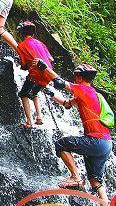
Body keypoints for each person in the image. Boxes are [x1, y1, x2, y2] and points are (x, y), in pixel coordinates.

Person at [34, 60, 112, 204]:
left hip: (96, 141)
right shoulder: (89, 94)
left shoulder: (84, 89)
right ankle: (106, 203)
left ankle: (75, 177)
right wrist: (51, 94)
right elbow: (67, 104)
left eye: (76, 76)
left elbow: (59, 82)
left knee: (62, 144)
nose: (75, 78)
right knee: (95, 181)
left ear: (80, 77)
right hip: (106, 144)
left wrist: (44, 69)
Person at [16, 21, 55, 129]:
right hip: (48, 73)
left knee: (23, 94)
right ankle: (39, 117)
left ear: (21, 34)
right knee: (34, 93)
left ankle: (29, 121)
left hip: (36, 73)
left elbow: (24, 65)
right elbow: (51, 59)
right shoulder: (40, 43)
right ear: (33, 33)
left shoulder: (21, 46)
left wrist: (21, 64)